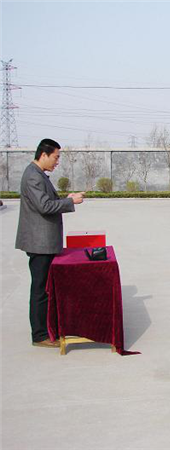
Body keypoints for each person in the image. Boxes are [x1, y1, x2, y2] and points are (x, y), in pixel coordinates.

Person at [15, 139, 85, 348]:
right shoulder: (33, 176)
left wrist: (66, 199)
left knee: (44, 288)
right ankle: (39, 335)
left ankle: (47, 328)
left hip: (44, 242)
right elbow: (45, 206)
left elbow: (46, 202)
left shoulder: (38, 174)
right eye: (56, 157)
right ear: (43, 155)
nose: (57, 162)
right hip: (39, 243)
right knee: (40, 289)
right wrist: (70, 202)